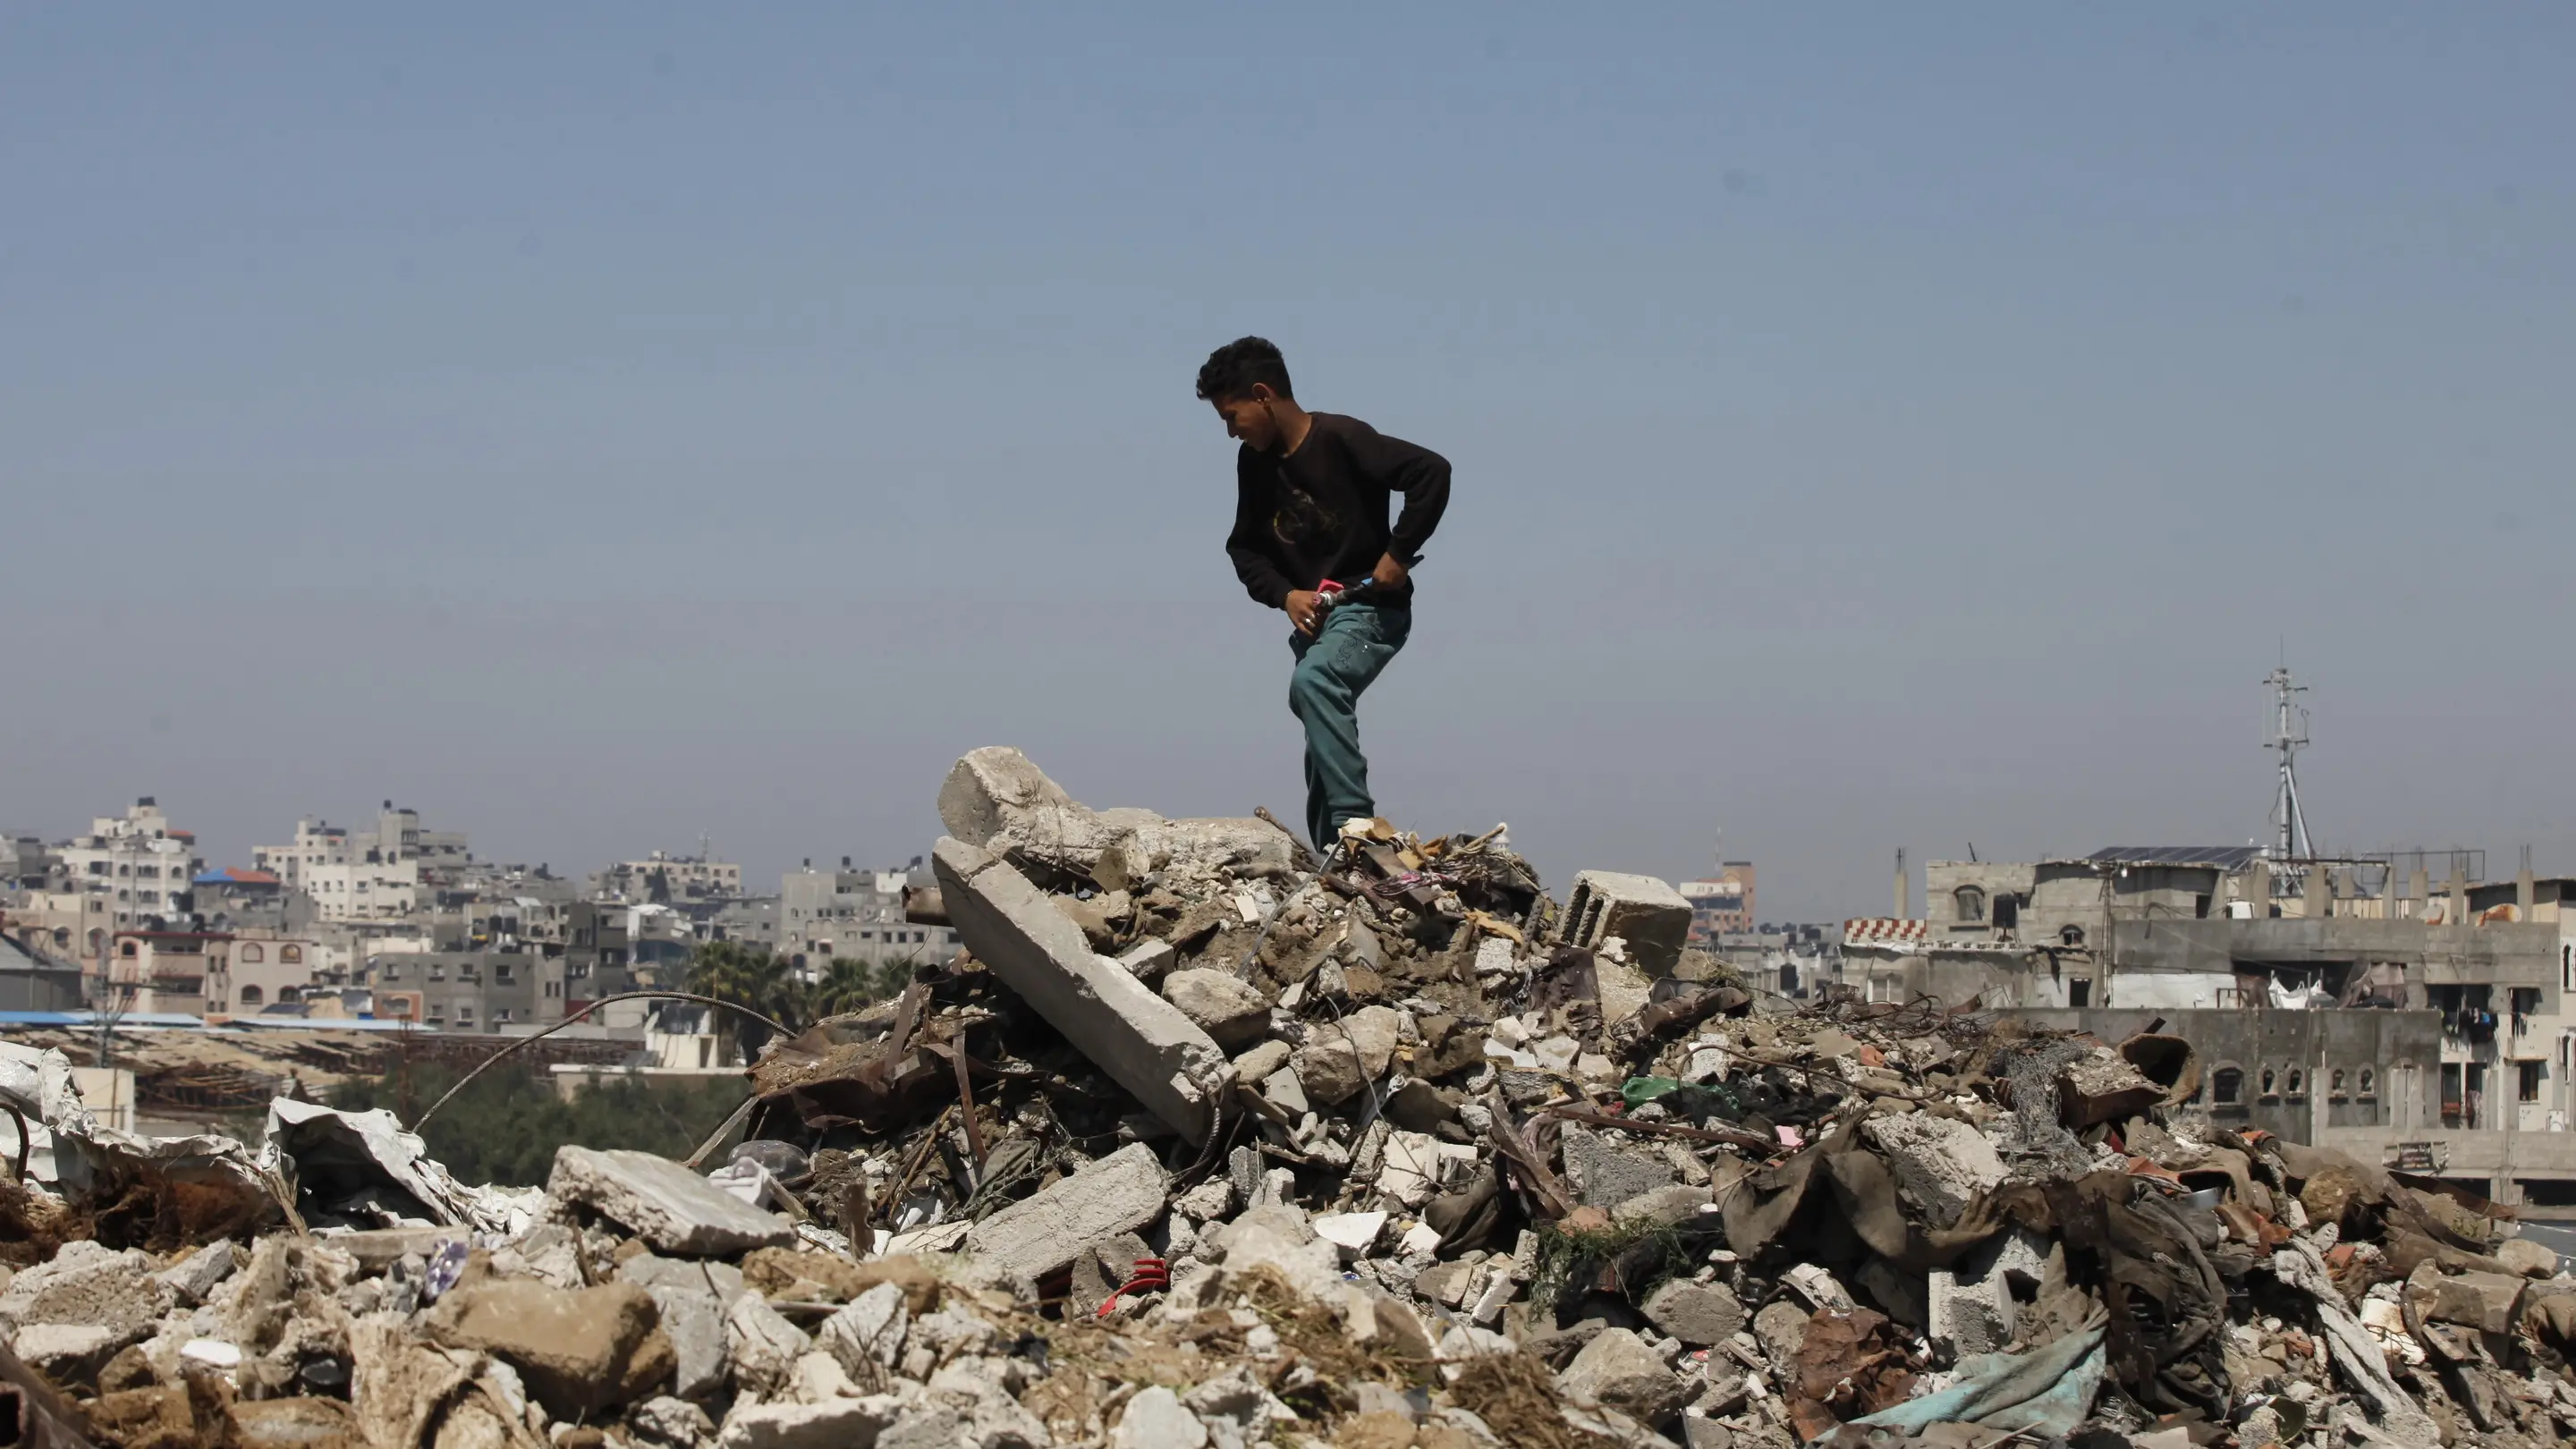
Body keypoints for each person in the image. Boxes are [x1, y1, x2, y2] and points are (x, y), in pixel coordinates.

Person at [1198, 336, 1451, 855]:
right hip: (1319, 618)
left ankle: (1357, 829)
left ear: (1263, 395)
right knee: (1315, 715)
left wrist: (1398, 554)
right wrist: (1287, 595)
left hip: (1371, 609)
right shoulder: (1255, 463)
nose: (1230, 431)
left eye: (1232, 415)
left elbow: (1431, 472)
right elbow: (1245, 550)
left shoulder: (1341, 438)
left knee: (1316, 683)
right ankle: (1332, 857)